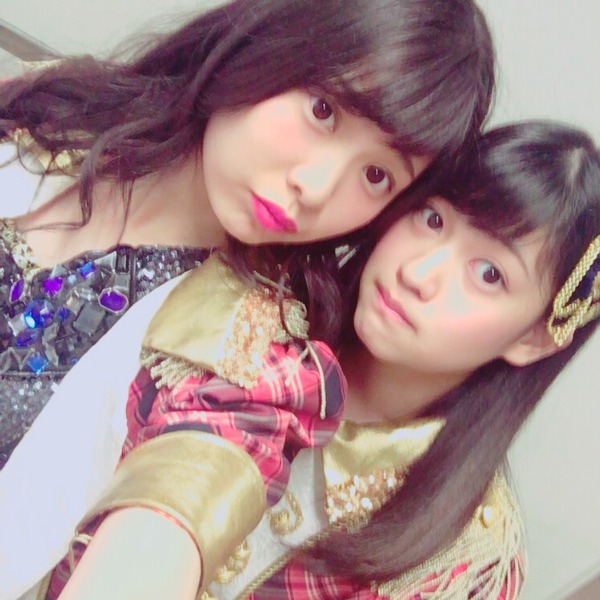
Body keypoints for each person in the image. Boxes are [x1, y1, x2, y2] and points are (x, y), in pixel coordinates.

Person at [46, 120, 599, 600]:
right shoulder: (252, 300)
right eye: (432, 219)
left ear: (534, 338)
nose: (418, 273)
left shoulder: (467, 562)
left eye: (489, 274)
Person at [0, 0, 495, 469]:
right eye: (323, 110)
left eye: (376, 175)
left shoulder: (247, 356)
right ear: (272, 38)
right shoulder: (53, 110)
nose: (315, 188)